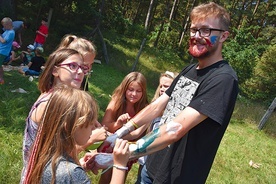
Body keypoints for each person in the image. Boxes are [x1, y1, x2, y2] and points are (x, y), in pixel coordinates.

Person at [105, 2, 239, 183]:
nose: (197, 36)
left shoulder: (223, 79)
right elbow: (156, 107)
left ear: (223, 36)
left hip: (176, 177)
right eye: (193, 30)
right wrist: (119, 133)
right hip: (152, 166)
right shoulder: (189, 70)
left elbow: (176, 129)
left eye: (206, 30)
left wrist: (120, 155)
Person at [24, 85, 130, 184]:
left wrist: (79, 165)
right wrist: (120, 166)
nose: (95, 128)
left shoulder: (42, 153)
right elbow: (69, 176)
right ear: (69, 126)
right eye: (91, 124)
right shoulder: (72, 174)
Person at [20, 48, 92, 183]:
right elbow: (58, 149)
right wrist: (92, 140)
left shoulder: (50, 95)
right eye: (72, 66)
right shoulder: (52, 105)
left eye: (83, 67)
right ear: (55, 71)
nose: (81, 71)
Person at [99, 71, 149, 184]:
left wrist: (117, 136)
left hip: (128, 148)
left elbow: (136, 133)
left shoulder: (145, 108)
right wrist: (118, 124)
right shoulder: (116, 100)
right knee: (105, 177)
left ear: (143, 92)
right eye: (130, 90)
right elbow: (105, 126)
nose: (134, 94)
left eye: (138, 91)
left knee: (120, 176)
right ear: (124, 88)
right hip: (111, 146)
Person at [135, 71, 176, 184]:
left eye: (166, 86)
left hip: (163, 162)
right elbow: (138, 131)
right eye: (161, 86)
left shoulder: (177, 115)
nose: (162, 89)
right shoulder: (154, 109)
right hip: (147, 158)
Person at [0, 17, 15, 84]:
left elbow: (3, 41)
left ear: (8, 24)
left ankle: (1, 79)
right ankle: (1, 79)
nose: (4, 27)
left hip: (3, 51)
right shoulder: (7, 31)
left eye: (4, 26)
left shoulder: (11, 32)